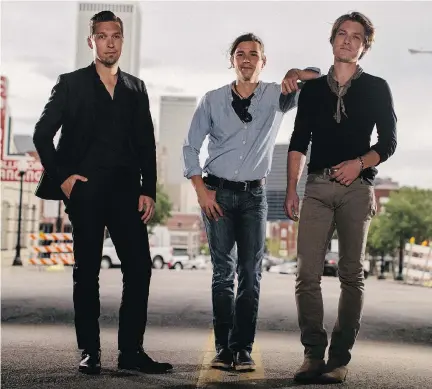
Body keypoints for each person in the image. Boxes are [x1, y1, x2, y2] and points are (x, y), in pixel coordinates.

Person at [33, 11, 173, 375]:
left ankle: (131, 351)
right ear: (91, 41)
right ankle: (89, 352)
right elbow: (41, 134)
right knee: (86, 272)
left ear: (122, 41)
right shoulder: (71, 84)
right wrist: (62, 178)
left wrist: (149, 190)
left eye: (116, 36)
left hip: (127, 193)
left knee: (140, 269)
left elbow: (147, 144)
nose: (110, 42)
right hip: (87, 192)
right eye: (103, 35)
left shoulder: (136, 88)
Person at [183, 33, 320, 371]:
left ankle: (242, 349)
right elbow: (190, 147)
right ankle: (223, 350)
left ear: (263, 61)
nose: (246, 60)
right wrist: (201, 191)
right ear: (232, 60)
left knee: (250, 273)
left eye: (253, 54)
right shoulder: (212, 100)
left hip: (254, 197)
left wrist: (297, 73)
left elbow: (322, 79)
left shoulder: (279, 95)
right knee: (223, 274)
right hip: (217, 194)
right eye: (240, 54)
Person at [285, 12, 397, 384]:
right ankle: (312, 355)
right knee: (306, 275)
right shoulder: (313, 91)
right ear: (333, 40)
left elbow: (388, 142)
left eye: (357, 36)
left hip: (358, 188)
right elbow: (299, 141)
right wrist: (291, 188)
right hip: (316, 187)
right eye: (342, 34)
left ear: (365, 45)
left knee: (352, 275)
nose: (348, 40)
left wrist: (359, 164)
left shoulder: (378, 87)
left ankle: (339, 360)